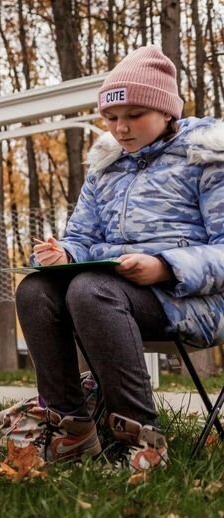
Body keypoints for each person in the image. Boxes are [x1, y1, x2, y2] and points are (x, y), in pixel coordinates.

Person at [16, 46, 224, 471]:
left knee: (92, 290)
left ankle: (141, 437)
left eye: (134, 115)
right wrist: (63, 253)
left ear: (166, 111)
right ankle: (72, 428)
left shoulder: (206, 157)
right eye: (111, 118)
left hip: (195, 299)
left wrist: (164, 266)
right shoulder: (106, 167)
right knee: (35, 289)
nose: (120, 128)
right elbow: (82, 236)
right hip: (113, 293)